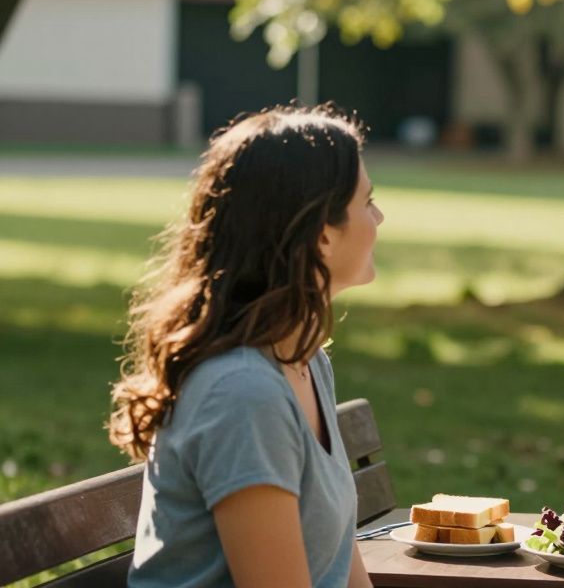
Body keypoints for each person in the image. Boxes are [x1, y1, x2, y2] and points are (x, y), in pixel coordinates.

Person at [108, 105, 383, 588]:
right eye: (368, 202)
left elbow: (341, 568)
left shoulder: (305, 362)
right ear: (322, 236)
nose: (379, 217)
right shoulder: (243, 394)